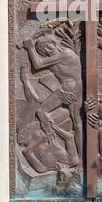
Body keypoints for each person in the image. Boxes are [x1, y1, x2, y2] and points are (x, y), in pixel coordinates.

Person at [23, 33, 83, 162]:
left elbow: (38, 64)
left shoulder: (66, 53)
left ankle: (79, 157)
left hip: (71, 89)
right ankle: (53, 140)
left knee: (77, 122)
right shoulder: (56, 56)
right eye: (41, 50)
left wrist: (30, 47)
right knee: (44, 112)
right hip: (66, 88)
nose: (45, 50)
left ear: (54, 42)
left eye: (46, 46)